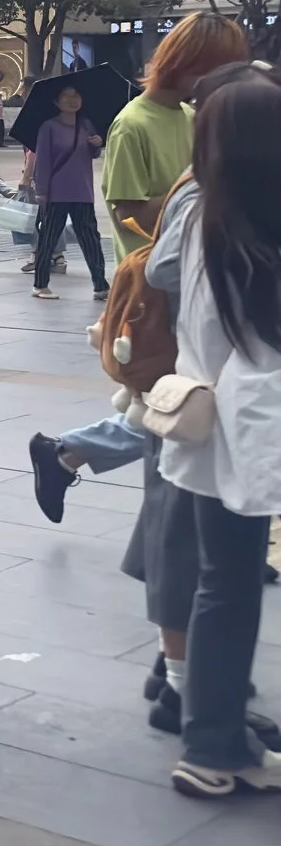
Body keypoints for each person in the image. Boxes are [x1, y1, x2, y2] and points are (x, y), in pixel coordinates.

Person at [149, 69, 281, 797]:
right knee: (230, 586)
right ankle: (212, 746)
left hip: (204, 418)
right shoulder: (263, 224)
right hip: (253, 426)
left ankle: (214, 739)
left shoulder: (204, 216)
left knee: (222, 584)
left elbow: (165, 280)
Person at [105, 13, 251, 259]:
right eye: (218, 70)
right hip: (152, 273)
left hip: (196, 264)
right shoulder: (131, 126)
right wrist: (205, 188)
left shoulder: (194, 117)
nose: (223, 81)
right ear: (186, 62)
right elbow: (128, 217)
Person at [22, 82, 109, 301]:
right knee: (48, 239)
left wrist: (97, 144)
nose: (73, 100)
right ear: (56, 101)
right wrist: (41, 191)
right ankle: (40, 284)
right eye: (67, 96)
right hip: (55, 193)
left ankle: (101, 285)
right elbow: (43, 161)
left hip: (82, 191)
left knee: (91, 239)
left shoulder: (86, 124)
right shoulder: (49, 127)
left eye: (76, 95)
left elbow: (92, 154)